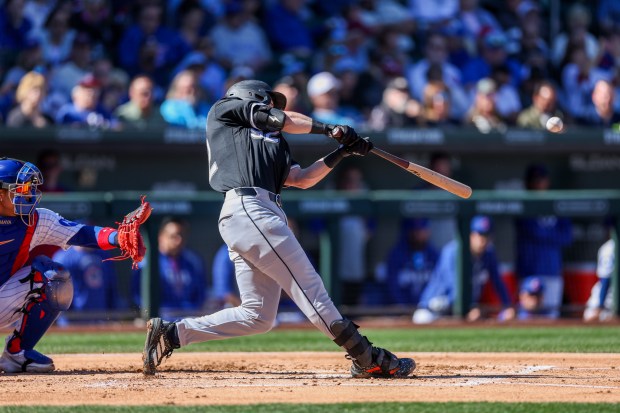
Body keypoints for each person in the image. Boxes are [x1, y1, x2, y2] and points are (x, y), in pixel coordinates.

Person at [143, 79, 415, 379]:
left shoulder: (275, 142)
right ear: (252, 97)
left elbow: (301, 178)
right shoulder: (225, 110)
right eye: (267, 101)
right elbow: (280, 119)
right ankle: (366, 356)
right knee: (310, 289)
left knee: (257, 316)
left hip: (258, 214)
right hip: (248, 207)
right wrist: (331, 128)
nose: (273, 106)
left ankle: (172, 333)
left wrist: (342, 151)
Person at [0, 157, 148, 373]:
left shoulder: (33, 221)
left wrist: (119, 238)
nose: (28, 193)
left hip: (3, 297)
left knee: (54, 278)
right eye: (20, 188)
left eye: (29, 187)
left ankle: (17, 353)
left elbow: (81, 233)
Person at [413, 216, 515, 324]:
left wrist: (507, 306)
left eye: (486, 235)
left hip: (461, 310)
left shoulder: (488, 254)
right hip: (434, 309)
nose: (483, 240)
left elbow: (497, 282)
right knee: (422, 319)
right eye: (479, 235)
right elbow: (454, 286)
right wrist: (470, 307)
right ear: (470, 235)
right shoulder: (452, 252)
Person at [515, 163, 572, 319]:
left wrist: (546, 234)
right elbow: (533, 231)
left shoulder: (556, 204)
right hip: (529, 271)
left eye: (542, 179)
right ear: (528, 183)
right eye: (535, 180)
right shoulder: (524, 204)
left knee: (551, 317)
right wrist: (552, 235)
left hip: (552, 270)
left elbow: (567, 236)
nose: (539, 184)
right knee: (526, 317)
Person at [132, 217, 207, 317]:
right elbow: (138, 298)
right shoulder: (145, 262)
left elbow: (200, 295)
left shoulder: (192, 261)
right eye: (173, 236)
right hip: (160, 318)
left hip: (189, 317)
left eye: (181, 235)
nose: (179, 240)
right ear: (161, 237)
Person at [384, 218, 439, 306]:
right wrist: (402, 307)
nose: (420, 234)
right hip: (400, 312)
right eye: (416, 230)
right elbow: (392, 288)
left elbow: (438, 286)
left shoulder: (433, 254)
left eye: (423, 230)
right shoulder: (397, 254)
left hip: (427, 311)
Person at [583, 219, 615, 322]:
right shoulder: (609, 248)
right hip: (608, 294)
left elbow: (606, 280)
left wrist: (600, 306)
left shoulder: (609, 248)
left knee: (591, 319)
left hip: (609, 296)